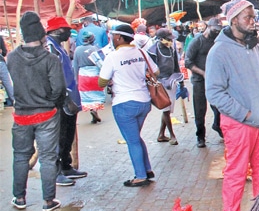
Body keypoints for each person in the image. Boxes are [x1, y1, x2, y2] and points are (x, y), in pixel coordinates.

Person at [206, 0, 259, 211]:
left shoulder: (256, 47)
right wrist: (245, 114)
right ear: (234, 20)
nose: (253, 21)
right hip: (239, 124)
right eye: (248, 17)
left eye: (253, 17)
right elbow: (214, 93)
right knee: (236, 173)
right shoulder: (219, 52)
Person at [7, 11, 66, 211]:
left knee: (20, 156)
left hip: (21, 114)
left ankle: (19, 198)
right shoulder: (50, 59)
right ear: (42, 34)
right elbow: (59, 88)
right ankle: (48, 201)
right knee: (48, 157)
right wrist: (51, 102)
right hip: (47, 114)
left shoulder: (12, 58)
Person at [98, 24, 158, 187]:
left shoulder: (112, 57)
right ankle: (147, 169)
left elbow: (101, 82)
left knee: (132, 140)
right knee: (136, 138)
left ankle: (140, 176)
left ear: (118, 37)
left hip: (124, 104)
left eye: (112, 36)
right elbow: (155, 72)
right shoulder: (141, 52)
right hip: (144, 101)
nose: (111, 39)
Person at [45, 16, 88, 185]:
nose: (69, 33)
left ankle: (66, 166)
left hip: (68, 96)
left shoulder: (58, 47)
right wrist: (62, 97)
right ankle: (57, 172)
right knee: (59, 136)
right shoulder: (49, 47)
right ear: (57, 30)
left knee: (67, 134)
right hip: (60, 99)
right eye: (67, 30)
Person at [186, 17, 223, 147]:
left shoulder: (217, 41)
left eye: (218, 30)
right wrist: (203, 73)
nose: (217, 32)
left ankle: (217, 125)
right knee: (200, 110)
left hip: (214, 80)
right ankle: (200, 136)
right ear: (208, 27)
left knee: (219, 107)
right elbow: (188, 62)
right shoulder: (197, 41)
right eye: (215, 30)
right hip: (199, 80)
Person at [147, 28, 182, 145]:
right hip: (160, 82)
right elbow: (150, 69)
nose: (170, 41)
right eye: (168, 39)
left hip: (171, 81)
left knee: (167, 109)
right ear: (161, 39)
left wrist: (180, 79)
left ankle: (161, 135)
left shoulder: (172, 48)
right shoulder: (152, 51)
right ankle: (172, 135)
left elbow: (176, 65)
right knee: (166, 109)